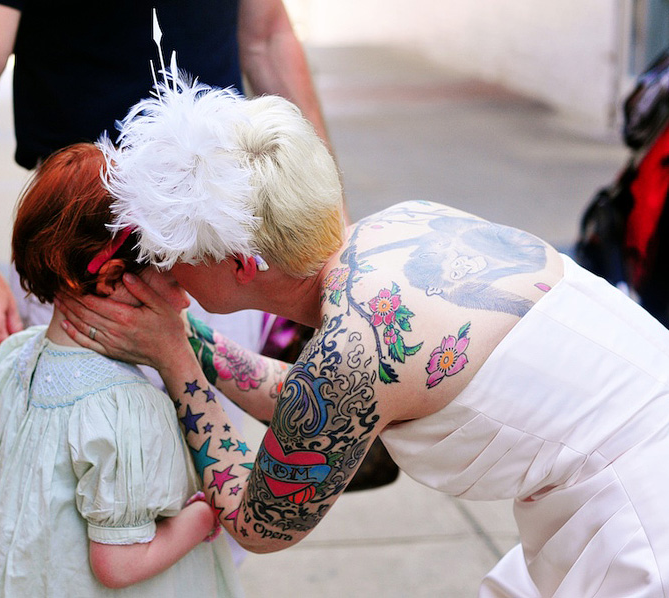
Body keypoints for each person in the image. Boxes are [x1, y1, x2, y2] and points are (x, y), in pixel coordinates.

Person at [59, 77, 669, 596]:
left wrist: (178, 366)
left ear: (243, 263)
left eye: (172, 253)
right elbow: (318, 406)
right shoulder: (401, 226)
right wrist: (191, 338)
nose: (161, 268)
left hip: (639, 518)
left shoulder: (355, 351)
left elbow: (256, 522)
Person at [0, 0, 330, 380]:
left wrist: (326, 209)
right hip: (86, 236)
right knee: (83, 434)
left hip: (222, 229)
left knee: (217, 428)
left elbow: (268, 36)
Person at [0, 143, 244, 597]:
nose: (186, 301)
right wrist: (206, 515)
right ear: (112, 278)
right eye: (173, 280)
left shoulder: (16, 359)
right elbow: (120, 562)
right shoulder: (126, 407)